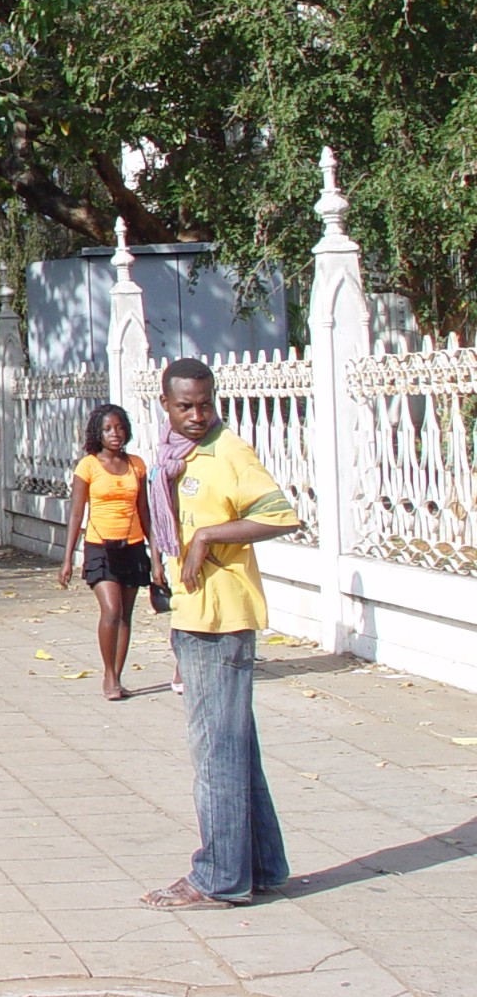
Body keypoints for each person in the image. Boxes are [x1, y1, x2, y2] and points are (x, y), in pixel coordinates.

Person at [141, 356, 300, 910]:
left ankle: (219, 878)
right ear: (165, 404)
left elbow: (281, 516)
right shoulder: (174, 455)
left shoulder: (228, 449)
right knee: (235, 748)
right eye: (185, 405)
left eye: (206, 404)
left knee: (215, 753)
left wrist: (210, 536)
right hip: (193, 613)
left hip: (222, 617)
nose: (197, 414)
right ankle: (261, 865)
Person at [55, 402, 152, 700]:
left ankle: (118, 676)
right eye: (108, 429)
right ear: (98, 432)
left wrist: (157, 557)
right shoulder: (87, 466)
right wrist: (67, 558)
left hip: (133, 546)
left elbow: (145, 512)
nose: (115, 434)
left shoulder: (136, 465)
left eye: (120, 428)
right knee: (111, 610)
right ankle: (108, 676)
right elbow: (75, 513)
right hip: (100, 548)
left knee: (125, 615)